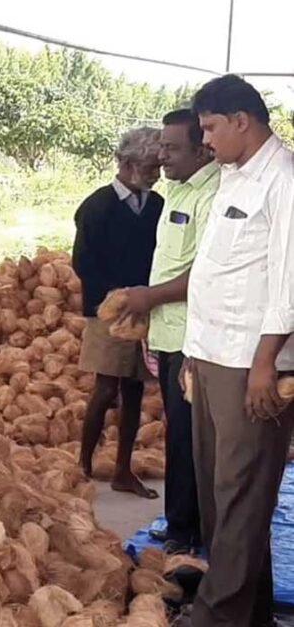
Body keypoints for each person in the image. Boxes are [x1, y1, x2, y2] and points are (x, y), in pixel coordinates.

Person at [176, 76, 294, 627]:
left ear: (241, 121)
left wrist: (266, 364)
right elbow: (217, 271)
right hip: (213, 354)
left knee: (243, 495)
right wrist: (194, 354)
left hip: (252, 361)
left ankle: (216, 617)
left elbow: (288, 284)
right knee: (221, 495)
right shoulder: (231, 176)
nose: (207, 141)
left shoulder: (284, 179)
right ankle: (253, 615)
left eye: (210, 128)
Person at [119, 110, 219, 554]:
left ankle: (186, 529)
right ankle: (182, 521)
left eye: (173, 148)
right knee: (180, 434)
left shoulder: (213, 194)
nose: (162, 156)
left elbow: (204, 273)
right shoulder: (177, 190)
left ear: (202, 149)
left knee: (190, 438)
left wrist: (149, 298)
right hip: (166, 332)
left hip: (193, 338)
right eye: (162, 146)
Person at [72, 127, 163, 499]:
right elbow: (83, 262)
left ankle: (123, 469)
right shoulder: (97, 206)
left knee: (135, 389)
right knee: (106, 388)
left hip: (144, 309)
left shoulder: (156, 206)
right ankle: (83, 465)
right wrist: (114, 298)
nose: (156, 173)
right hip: (107, 312)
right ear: (127, 164)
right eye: (149, 166)